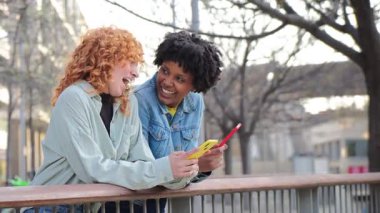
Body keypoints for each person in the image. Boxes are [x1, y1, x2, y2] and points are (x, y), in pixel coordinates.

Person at [24, 27, 199, 213]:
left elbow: (144, 163)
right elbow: (93, 169)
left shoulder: (127, 102)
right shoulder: (74, 98)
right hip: (48, 207)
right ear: (106, 60)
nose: (136, 73)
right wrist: (163, 169)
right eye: (131, 62)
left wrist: (181, 171)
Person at [134, 31, 227, 213]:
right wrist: (197, 165)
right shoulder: (139, 101)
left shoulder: (195, 101)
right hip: (128, 203)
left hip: (159, 201)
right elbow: (142, 171)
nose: (167, 82)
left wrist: (203, 163)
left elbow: (186, 163)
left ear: (194, 85)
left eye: (179, 79)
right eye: (165, 71)